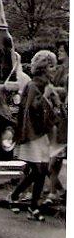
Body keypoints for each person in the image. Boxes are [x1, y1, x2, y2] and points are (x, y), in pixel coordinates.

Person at [9, 49, 59, 221]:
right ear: (44, 67)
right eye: (52, 66)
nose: (55, 69)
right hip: (32, 132)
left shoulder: (47, 85)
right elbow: (32, 109)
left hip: (42, 132)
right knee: (38, 169)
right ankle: (26, 202)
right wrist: (46, 97)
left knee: (41, 169)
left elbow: (53, 111)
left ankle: (27, 202)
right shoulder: (33, 85)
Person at [45, 40, 68, 204]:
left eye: (62, 50)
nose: (59, 52)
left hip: (63, 116)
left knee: (54, 156)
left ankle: (54, 191)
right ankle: (58, 190)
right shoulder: (60, 69)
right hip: (56, 115)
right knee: (51, 156)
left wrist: (53, 90)